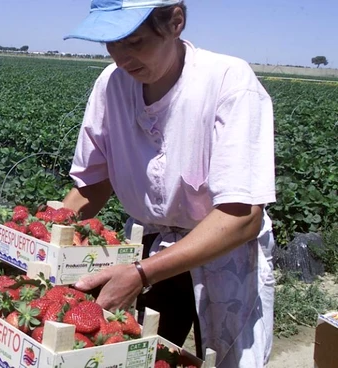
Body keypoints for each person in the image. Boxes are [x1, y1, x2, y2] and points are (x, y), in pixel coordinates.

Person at [62, 1, 275, 368]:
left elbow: (241, 216)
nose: (121, 57)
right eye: (111, 44)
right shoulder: (110, 86)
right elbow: (93, 183)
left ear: (176, 22)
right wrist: (43, 240)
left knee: (230, 360)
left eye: (135, 41)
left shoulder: (228, 82)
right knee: (139, 356)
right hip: (147, 247)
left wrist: (142, 274)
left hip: (222, 248)